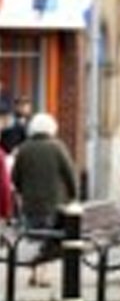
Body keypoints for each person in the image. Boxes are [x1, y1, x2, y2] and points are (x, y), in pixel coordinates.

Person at [11, 112, 78, 286]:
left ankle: (34, 273)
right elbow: (69, 173)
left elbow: (15, 177)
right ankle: (42, 274)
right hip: (53, 202)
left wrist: (22, 191)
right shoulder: (57, 147)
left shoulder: (24, 149)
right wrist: (73, 195)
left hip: (31, 203)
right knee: (48, 240)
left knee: (34, 238)